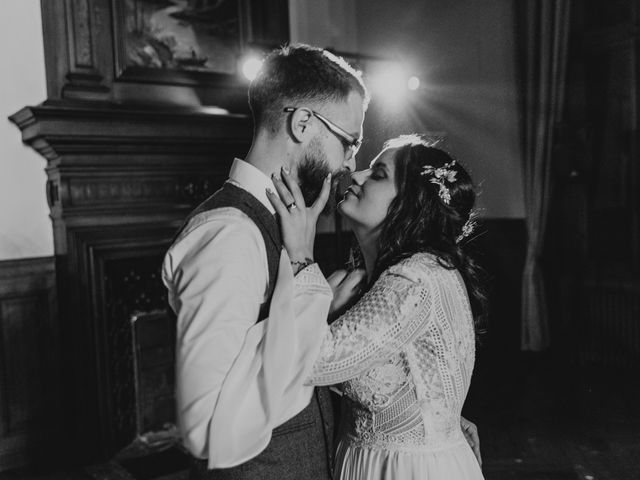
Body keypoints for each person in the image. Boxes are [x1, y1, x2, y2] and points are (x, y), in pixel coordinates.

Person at [162, 43, 368, 479]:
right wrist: (304, 305)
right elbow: (204, 429)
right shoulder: (229, 235)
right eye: (349, 143)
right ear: (302, 122)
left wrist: (316, 310)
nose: (352, 163)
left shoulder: (282, 221)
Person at [267, 134, 486, 479]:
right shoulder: (380, 278)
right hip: (371, 462)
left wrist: (299, 256)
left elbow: (308, 362)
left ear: (411, 204)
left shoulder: (413, 281)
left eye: (378, 174)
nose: (356, 176)